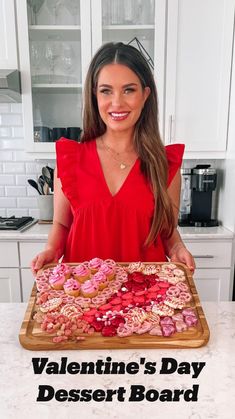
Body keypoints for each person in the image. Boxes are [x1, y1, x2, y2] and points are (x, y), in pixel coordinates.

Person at [31, 42, 195, 275]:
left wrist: (178, 248)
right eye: (106, 90)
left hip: (145, 300)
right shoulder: (71, 159)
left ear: (145, 95)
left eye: (129, 90)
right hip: (85, 297)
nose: (117, 102)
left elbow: (167, 231)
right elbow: (62, 224)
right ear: (94, 95)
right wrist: (50, 250)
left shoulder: (165, 164)